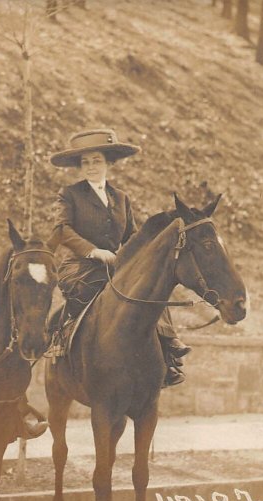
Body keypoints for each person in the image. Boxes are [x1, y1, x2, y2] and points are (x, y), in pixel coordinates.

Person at [47, 128, 191, 385]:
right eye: (86, 162)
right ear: (80, 166)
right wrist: (93, 251)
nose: (91, 166)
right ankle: (67, 349)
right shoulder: (70, 194)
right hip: (80, 268)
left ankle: (168, 349)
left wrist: (141, 258)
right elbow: (62, 230)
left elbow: (132, 236)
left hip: (115, 266)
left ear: (109, 163)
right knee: (93, 295)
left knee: (149, 286)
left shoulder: (121, 198)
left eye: (97, 161)